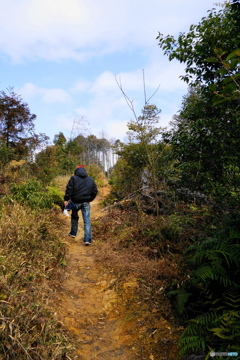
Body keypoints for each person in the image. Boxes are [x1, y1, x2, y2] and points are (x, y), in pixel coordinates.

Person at [64, 165, 98, 245]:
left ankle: (73, 233)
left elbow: (69, 189)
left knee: (74, 216)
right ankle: (87, 239)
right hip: (86, 202)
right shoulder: (90, 179)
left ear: (76, 170)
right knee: (87, 220)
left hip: (75, 201)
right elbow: (95, 191)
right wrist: (90, 199)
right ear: (84, 170)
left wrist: (66, 199)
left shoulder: (73, 178)